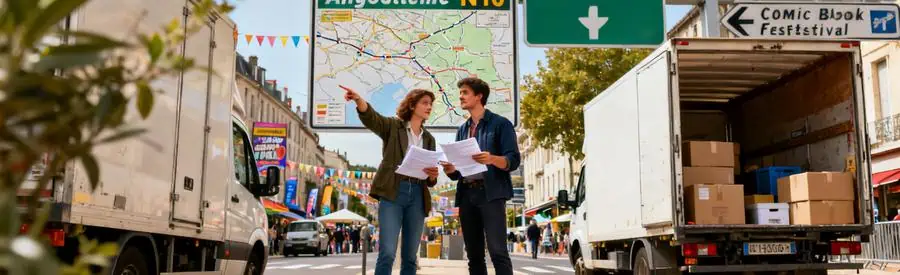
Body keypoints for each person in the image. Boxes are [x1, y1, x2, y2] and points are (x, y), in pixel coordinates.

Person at [342, 85, 440, 275]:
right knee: (387, 252)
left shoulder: (429, 139)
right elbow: (373, 119)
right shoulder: (394, 127)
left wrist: (433, 176)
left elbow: (430, 179)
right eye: (425, 103)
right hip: (393, 193)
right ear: (412, 105)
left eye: (431, 104)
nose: (429, 107)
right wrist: (358, 100)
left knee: (411, 256)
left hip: (418, 195)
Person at [440, 77, 521, 275]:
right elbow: (459, 171)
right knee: (474, 255)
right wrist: (451, 170)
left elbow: (513, 160)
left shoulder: (501, 124)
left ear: (479, 96)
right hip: (467, 195)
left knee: (498, 251)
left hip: (491, 194)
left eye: (465, 93)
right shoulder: (462, 130)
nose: (460, 97)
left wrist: (492, 159)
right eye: (460, 93)